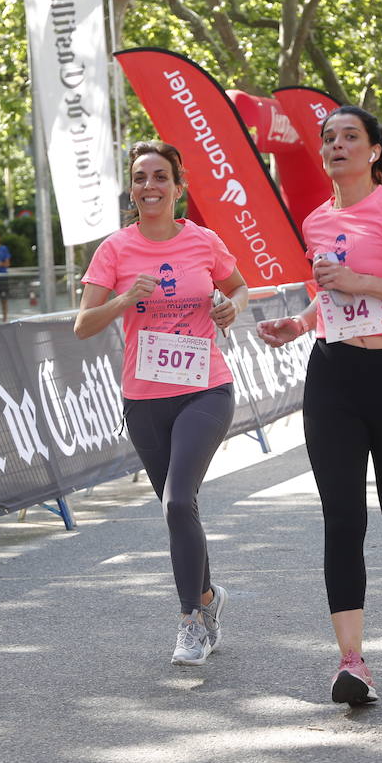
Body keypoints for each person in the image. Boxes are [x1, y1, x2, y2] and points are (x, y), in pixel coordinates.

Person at [255, 106, 382, 707]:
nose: (337, 145)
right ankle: (352, 661)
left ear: (373, 152)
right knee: (343, 518)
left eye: (350, 137)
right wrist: (300, 321)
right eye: (328, 139)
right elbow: (331, 293)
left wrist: (362, 282)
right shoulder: (317, 220)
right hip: (335, 374)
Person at [74, 140, 249, 667]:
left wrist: (230, 309)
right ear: (132, 189)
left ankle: (189, 621)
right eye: (140, 178)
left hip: (205, 388)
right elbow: (82, 325)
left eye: (159, 177)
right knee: (180, 509)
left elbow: (240, 288)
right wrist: (125, 299)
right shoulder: (115, 249)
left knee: (177, 501)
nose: (148, 186)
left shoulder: (203, 241)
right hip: (144, 399)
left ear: (178, 186)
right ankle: (210, 597)